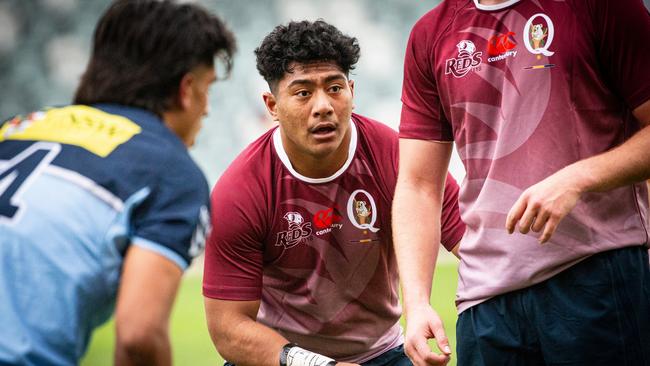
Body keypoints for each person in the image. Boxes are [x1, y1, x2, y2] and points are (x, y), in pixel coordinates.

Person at [393, 0, 650, 365]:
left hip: (596, 274)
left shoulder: (603, 6)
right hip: (484, 301)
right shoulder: (431, 33)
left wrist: (578, 178)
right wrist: (416, 303)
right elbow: (418, 185)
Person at [202, 20, 465, 366]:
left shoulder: (395, 156)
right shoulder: (240, 191)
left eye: (335, 87)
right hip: (284, 360)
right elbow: (228, 328)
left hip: (383, 354)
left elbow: (476, 244)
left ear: (352, 92)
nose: (323, 105)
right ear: (271, 106)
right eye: (303, 92)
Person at [0, 1, 235, 365]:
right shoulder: (170, 171)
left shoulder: (19, 127)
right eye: (208, 88)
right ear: (186, 90)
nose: (206, 109)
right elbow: (139, 336)